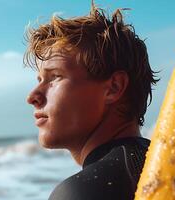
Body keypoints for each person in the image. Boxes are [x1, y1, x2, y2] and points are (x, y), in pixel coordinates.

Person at [24, 2, 159, 200]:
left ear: (114, 87)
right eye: (40, 80)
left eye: (55, 77)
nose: (33, 97)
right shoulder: (164, 164)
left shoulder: (85, 191)